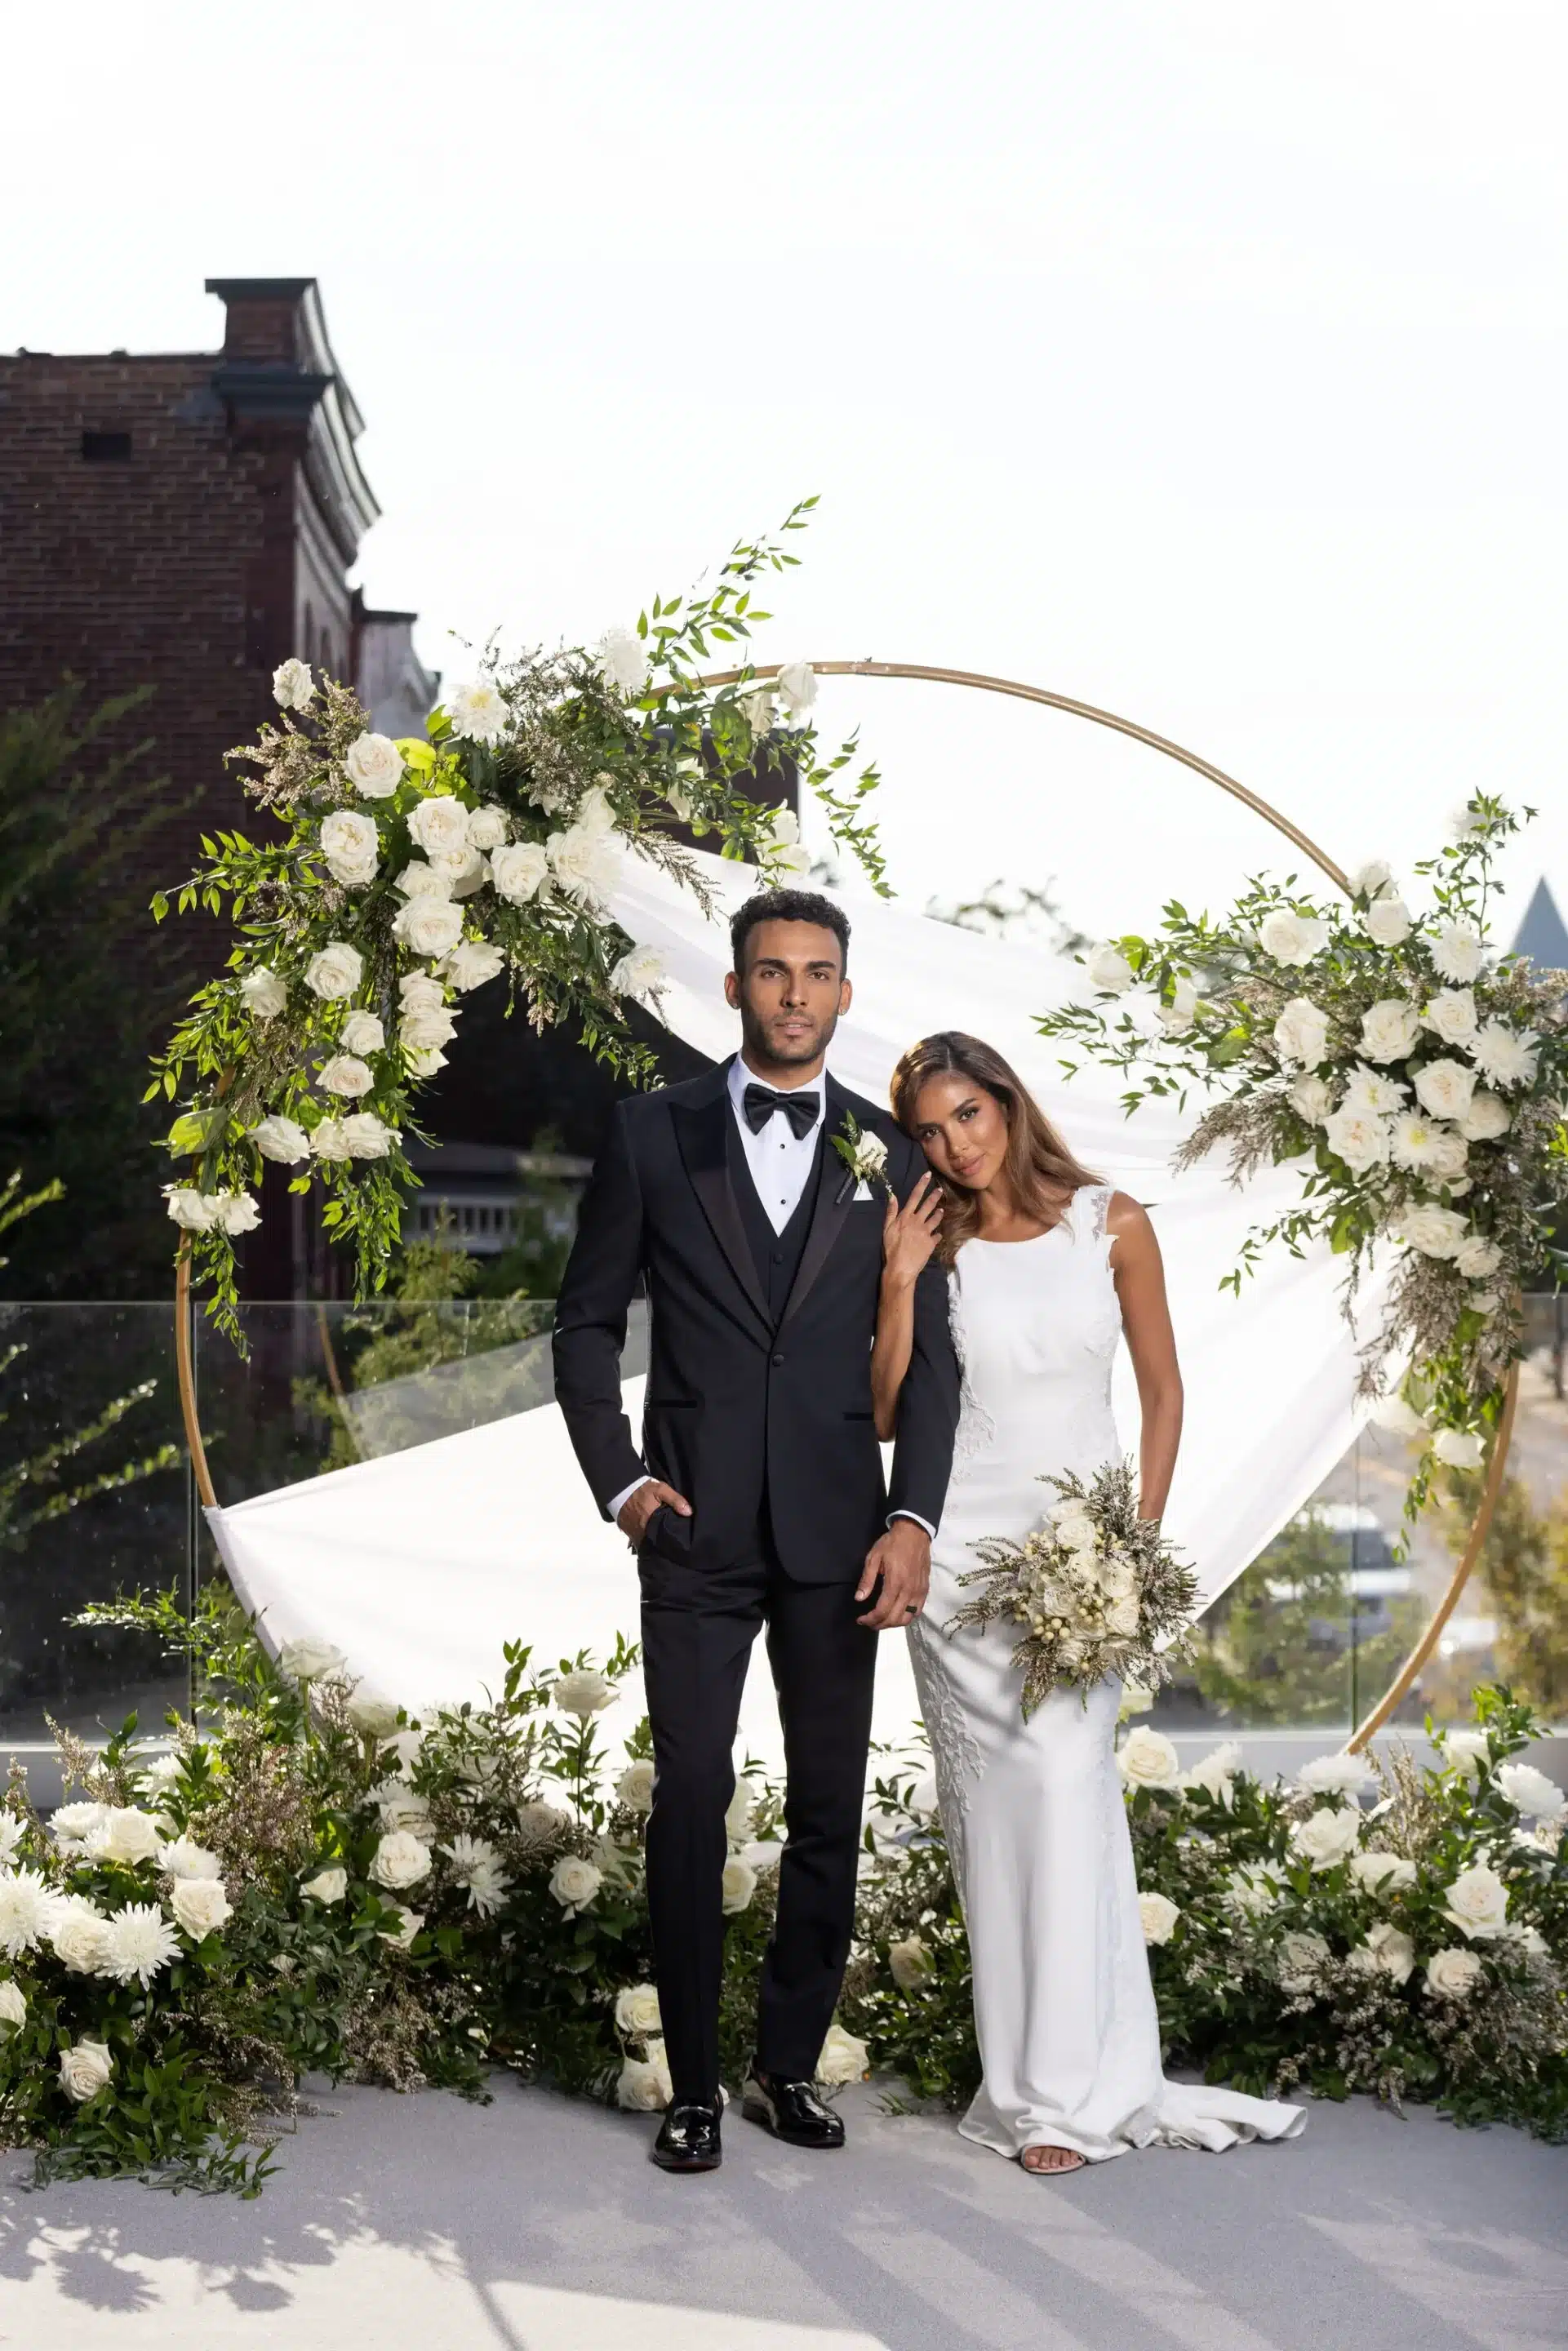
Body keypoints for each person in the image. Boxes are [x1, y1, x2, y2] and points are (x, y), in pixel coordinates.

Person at [553, 889, 960, 2173]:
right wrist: (622, 1480)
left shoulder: (897, 1152)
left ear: (845, 993)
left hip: (844, 1536)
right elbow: (582, 1325)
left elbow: (932, 1365)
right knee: (692, 1800)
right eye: (772, 972)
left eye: (818, 973)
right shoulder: (650, 1133)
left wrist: (912, 1516)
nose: (794, 993)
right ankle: (693, 2086)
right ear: (731, 990)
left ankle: (789, 2068)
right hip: (694, 1530)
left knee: (829, 1805)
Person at [873, 1030, 1304, 2173]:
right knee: (998, 1826)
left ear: (1008, 1105)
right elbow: (883, 1416)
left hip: (1082, 1563)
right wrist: (901, 1279)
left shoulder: (1109, 1222)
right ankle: (1026, 2088)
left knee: (1068, 1796)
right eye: (928, 1129)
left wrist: (1134, 1546)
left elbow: (1164, 1394)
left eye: (967, 1115)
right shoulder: (939, 1244)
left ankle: (1069, 2096)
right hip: (962, 1560)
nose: (952, 1145)